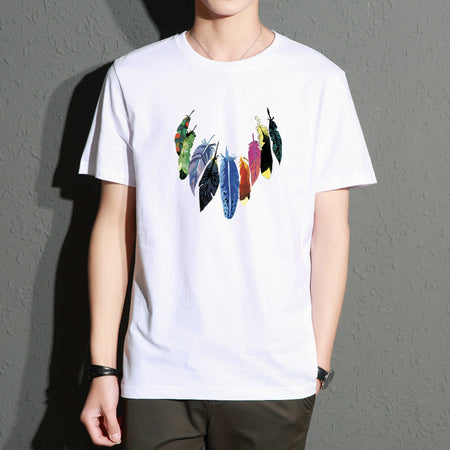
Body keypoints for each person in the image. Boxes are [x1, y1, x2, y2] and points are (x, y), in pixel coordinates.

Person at [78, 0, 377, 448]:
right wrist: (103, 368)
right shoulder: (134, 77)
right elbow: (113, 228)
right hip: (158, 377)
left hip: (274, 380)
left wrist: (317, 363)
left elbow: (331, 233)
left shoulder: (318, 81)